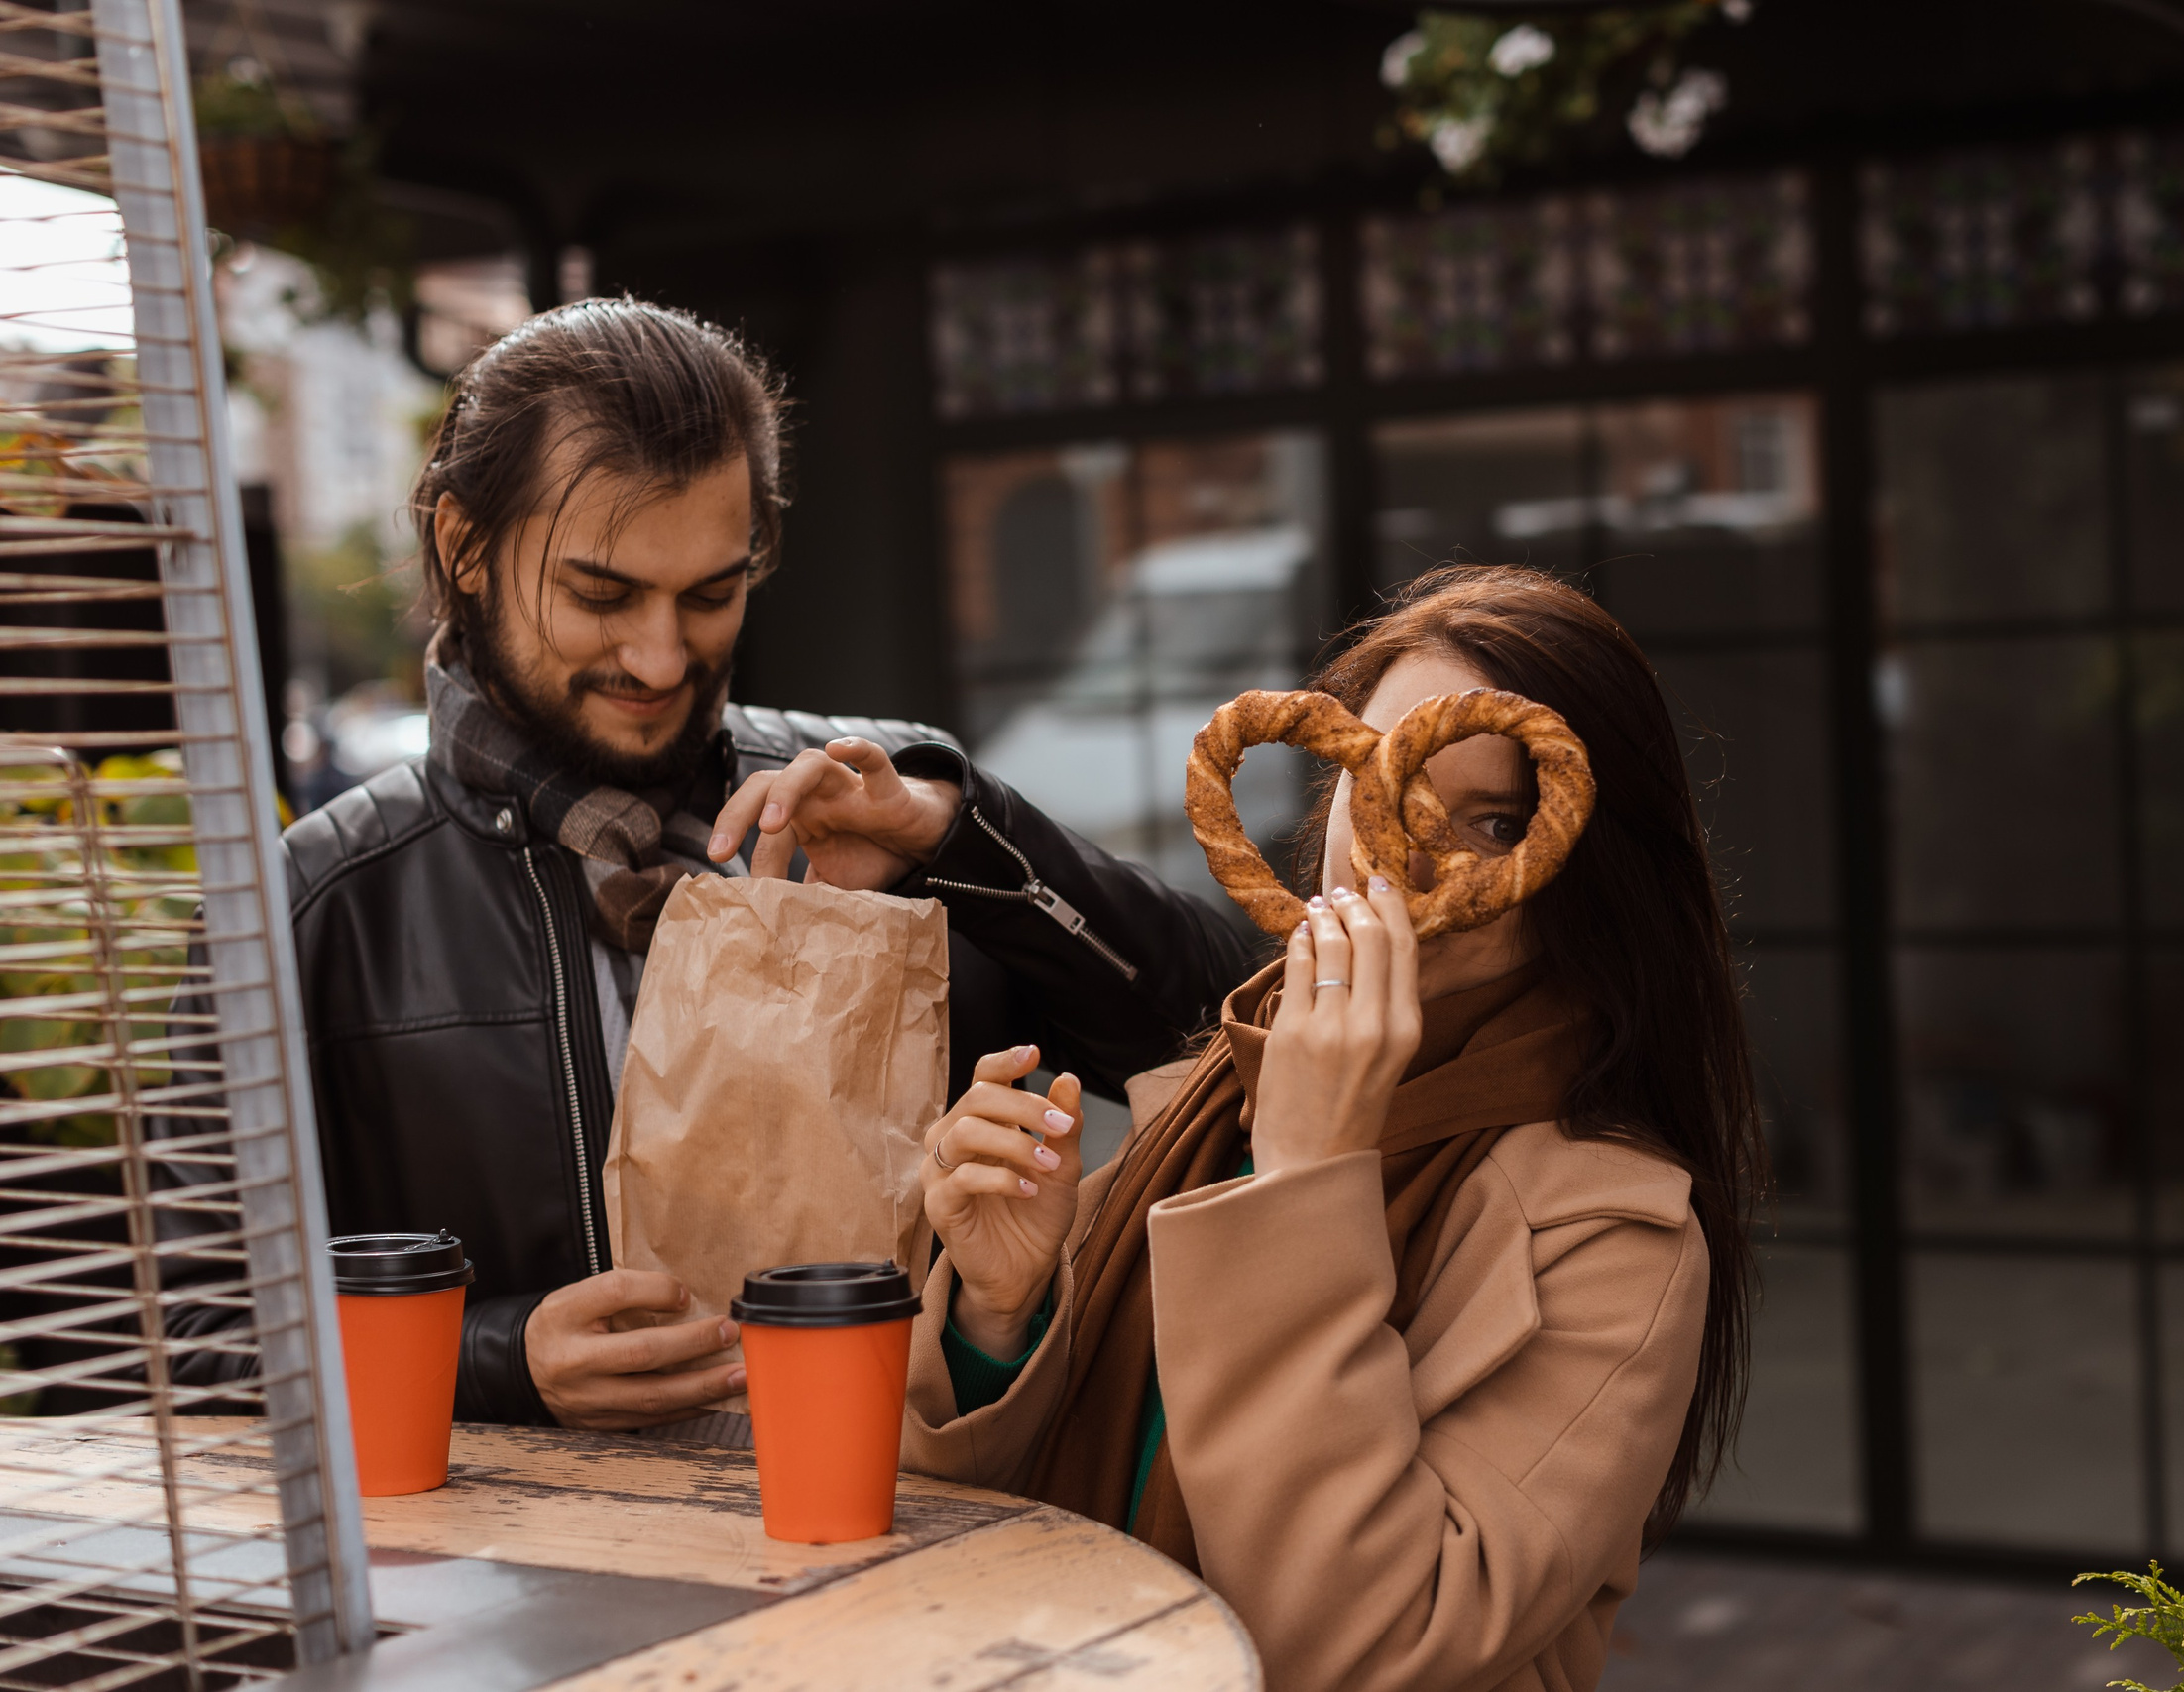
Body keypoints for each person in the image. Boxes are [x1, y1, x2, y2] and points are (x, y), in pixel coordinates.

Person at [159, 298, 1253, 1431]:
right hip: (516, 1592)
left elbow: (1226, 1046)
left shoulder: (875, 809)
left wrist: (957, 837)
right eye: (601, 594)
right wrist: (493, 1360)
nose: (660, 655)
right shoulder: (310, 908)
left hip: (909, 1553)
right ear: (462, 546)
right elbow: (186, 1345)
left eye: (712, 595)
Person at [903, 565, 1765, 1692]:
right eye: (1374, 785)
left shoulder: (1615, 1240)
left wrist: (1313, 1176)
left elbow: (1359, 1648)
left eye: (1492, 820)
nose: (1401, 854)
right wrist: (997, 1319)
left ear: (1584, 865)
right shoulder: (1207, 1100)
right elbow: (982, 1538)